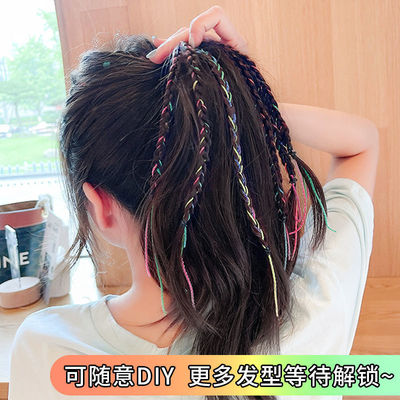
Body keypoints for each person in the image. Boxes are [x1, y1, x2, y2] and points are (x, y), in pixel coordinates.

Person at [8, 5, 378, 400]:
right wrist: (240, 106)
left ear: (100, 206)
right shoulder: (311, 316)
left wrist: (233, 109)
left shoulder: (47, 351)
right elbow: (361, 144)